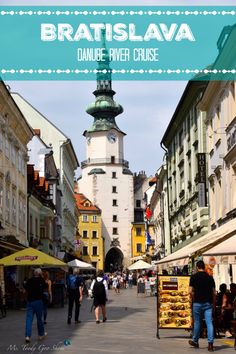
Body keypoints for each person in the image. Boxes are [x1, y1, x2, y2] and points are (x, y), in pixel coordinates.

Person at [188, 260, 216, 352]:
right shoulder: (210, 278)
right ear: (204, 267)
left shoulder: (193, 277)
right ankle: (210, 344)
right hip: (208, 303)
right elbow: (214, 293)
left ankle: (195, 340)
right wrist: (214, 304)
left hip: (197, 303)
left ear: (197, 267)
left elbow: (190, 291)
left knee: (197, 322)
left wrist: (193, 297)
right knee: (209, 323)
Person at [24, 268, 47, 344]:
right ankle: (41, 334)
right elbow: (45, 286)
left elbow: (26, 288)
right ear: (40, 273)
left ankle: (27, 336)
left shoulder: (30, 280)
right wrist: (42, 278)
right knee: (39, 319)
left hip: (30, 302)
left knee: (29, 319)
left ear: (34, 273)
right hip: (38, 302)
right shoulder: (41, 280)